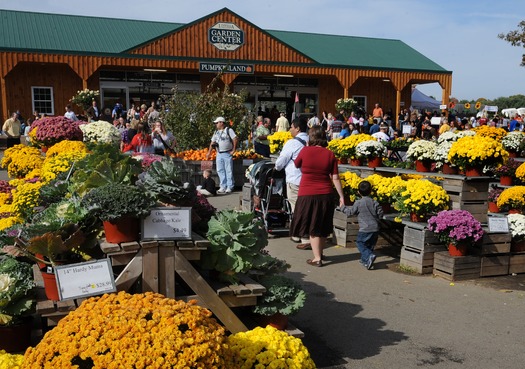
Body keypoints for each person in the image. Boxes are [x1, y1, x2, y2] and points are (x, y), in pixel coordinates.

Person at [290, 125, 345, 267]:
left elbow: (296, 164)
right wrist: (341, 196)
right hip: (326, 193)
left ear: (311, 137)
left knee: (312, 227)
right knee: (322, 225)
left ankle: (317, 258)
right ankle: (320, 253)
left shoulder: (305, 151)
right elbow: (335, 178)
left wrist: (307, 147)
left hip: (307, 193)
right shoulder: (330, 154)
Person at [274, 117, 309, 245]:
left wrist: (277, 167)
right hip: (310, 181)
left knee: (297, 208)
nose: (290, 129)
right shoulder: (312, 141)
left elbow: (279, 163)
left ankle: (301, 235)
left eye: (292, 127)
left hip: (295, 179)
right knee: (308, 207)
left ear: (298, 128)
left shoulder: (292, 143)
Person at [339, 180, 384, 270]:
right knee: (370, 245)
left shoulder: (358, 203)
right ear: (371, 191)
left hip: (364, 229)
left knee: (360, 243)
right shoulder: (375, 202)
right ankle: (365, 260)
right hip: (375, 228)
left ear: (358, 192)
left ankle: (369, 256)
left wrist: (342, 207)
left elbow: (350, 212)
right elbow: (380, 213)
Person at [206, 116, 238, 194]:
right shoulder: (216, 132)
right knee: (220, 170)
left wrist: (233, 149)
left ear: (221, 123)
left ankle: (229, 186)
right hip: (219, 153)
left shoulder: (229, 130)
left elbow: (235, 139)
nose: (216, 124)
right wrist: (209, 152)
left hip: (227, 153)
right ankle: (223, 186)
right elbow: (212, 142)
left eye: (217, 123)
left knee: (228, 170)